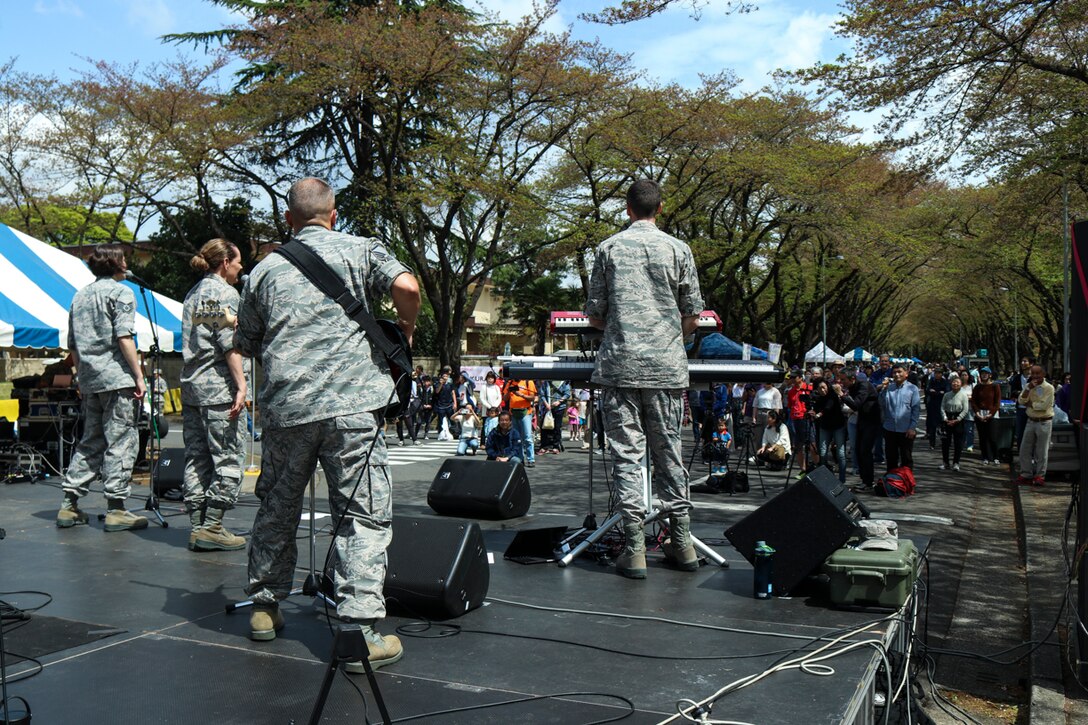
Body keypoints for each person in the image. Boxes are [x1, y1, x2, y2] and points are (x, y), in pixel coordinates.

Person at [236, 177, 420, 672]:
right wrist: (406, 329)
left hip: (287, 410)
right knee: (361, 514)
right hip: (353, 408)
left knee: (277, 505)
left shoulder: (264, 270)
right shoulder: (364, 250)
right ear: (334, 214)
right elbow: (407, 286)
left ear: (289, 221)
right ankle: (358, 632)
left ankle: (264, 608)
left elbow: (245, 341)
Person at [584, 179, 704, 578]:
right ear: (661, 207)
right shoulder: (678, 249)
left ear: (628, 208)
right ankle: (682, 544)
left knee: (627, 457)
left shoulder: (608, 249)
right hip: (667, 369)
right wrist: (668, 338)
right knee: (669, 454)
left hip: (620, 367)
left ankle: (634, 549)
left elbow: (595, 316)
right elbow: (693, 316)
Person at [55, 245, 149, 532]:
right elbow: (124, 336)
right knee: (121, 441)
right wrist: (139, 376)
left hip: (91, 379)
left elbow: (72, 343)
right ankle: (116, 508)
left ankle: (69, 505)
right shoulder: (122, 293)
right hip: (117, 379)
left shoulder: (79, 296)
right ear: (117, 263)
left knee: (91, 440)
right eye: (124, 259)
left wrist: (81, 376)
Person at [179, 238, 248, 552]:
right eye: (237, 262)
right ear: (224, 262)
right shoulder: (224, 293)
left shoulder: (194, 293)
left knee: (196, 457)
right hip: (219, 388)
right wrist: (242, 385)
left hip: (193, 387)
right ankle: (213, 525)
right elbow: (229, 343)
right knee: (229, 456)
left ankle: (197, 526)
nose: (240, 267)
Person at [1016, 364, 1055, 486]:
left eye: (1038, 373)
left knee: (1041, 451)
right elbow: (1021, 401)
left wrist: (1031, 404)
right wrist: (1028, 389)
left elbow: (1043, 406)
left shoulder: (1049, 388)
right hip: (1030, 421)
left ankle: (1039, 476)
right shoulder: (1029, 386)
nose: (1035, 376)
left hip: (1044, 422)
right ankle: (1025, 474)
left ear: (1043, 374)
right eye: (1033, 373)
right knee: (1024, 449)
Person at [878, 363, 921, 471]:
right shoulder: (889, 388)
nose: (897, 375)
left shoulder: (913, 388)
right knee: (891, 458)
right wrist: (883, 389)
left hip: (905, 429)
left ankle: (906, 483)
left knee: (906, 459)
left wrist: (912, 427)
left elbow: (915, 409)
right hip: (889, 428)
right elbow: (881, 404)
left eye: (899, 372)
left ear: (906, 373)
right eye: (894, 372)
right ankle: (892, 484)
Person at [842, 370, 880, 491]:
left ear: (852, 378)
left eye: (844, 380)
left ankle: (868, 482)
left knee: (865, 451)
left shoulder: (864, 385)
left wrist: (842, 395)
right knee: (858, 450)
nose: (842, 383)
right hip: (862, 420)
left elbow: (856, 405)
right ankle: (864, 480)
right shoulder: (854, 387)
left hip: (871, 421)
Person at [811, 379, 848, 484]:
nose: (822, 390)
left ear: (827, 386)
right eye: (819, 388)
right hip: (825, 427)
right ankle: (825, 478)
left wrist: (818, 414)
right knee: (822, 452)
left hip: (838, 426)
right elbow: (816, 409)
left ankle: (842, 480)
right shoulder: (817, 398)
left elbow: (827, 408)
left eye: (824, 387)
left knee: (840, 454)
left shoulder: (833, 395)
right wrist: (812, 412)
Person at [502, 378, 537, 466]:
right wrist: (509, 391)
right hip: (513, 413)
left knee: (527, 437)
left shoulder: (528, 382)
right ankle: (520, 459)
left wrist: (520, 394)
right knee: (517, 438)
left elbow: (533, 397)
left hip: (525, 412)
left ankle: (531, 459)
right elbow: (504, 398)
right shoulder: (510, 382)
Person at [785, 370, 813, 477]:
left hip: (806, 419)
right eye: (791, 377)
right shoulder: (791, 391)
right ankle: (803, 469)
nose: (792, 379)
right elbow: (790, 405)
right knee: (798, 446)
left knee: (812, 444)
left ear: (800, 378)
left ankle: (815, 467)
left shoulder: (809, 388)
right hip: (795, 419)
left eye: (794, 377)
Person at [971, 367, 1002, 464]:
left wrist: (990, 414)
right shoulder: (977, 387)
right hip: (980, 413)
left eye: (986, 373)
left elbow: (997, 403)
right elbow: (974, 401)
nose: (984, 375)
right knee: (983, 437)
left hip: (992, 414)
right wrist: (977, 413)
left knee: (993, 437)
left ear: (990, 375)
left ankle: (996, 457)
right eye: (982, 373)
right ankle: (985, 457)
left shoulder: (995, 386)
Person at [939, 374, 969, 471]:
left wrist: (958, 419)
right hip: (947, 418)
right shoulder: (947, 395)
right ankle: (945, 462)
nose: (955, 384)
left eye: (957, 382)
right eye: (954, 382)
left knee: (958, 443)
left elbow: (965, 409)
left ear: (961, 384)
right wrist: (945, 417)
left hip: (958, 419)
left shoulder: (963, 395)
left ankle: (956, 462)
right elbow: (942, 407)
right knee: (945, 443)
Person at [1008, 357, 1033, 450]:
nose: (1023, 363)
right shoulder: (1017, 378)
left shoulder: (1035, 378)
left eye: (1025, 361)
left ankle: (1033, 456)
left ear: (1031, 364)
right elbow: (1013, 392)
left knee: (1032, 434)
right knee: (1020, 434)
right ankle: (1021, 454)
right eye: (1021, 361)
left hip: (1033, 410)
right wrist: (1021, 393)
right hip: (1021, 410)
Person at [924, 368, 949, 449]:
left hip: (942, 405)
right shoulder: (931, 380)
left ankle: (944, 442)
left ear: (942, 374)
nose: (937, 375)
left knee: (943, 426)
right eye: (936, 373)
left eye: (939, 373)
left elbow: (946, 391)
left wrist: (937, 392)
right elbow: (928, 390)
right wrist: (937, 392)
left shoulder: (945, 381)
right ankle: (932, 443)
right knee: (932, 426)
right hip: (932, 405)